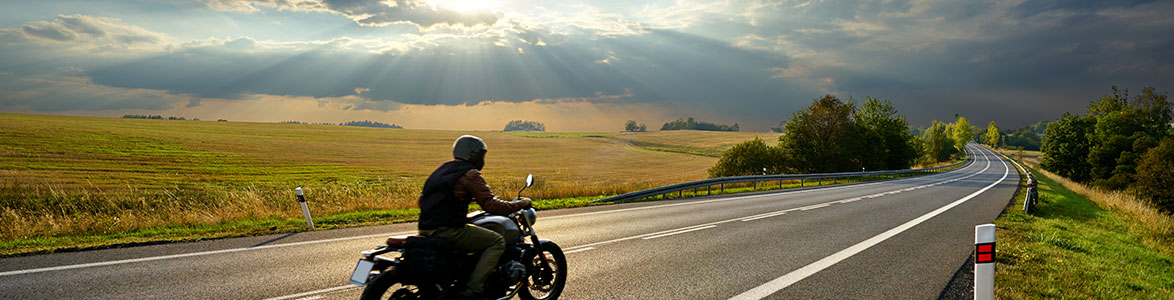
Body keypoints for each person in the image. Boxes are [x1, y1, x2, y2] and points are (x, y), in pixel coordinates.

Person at [418, 135, 532, 299]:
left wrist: (459, 201)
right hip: (449, 231)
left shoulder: (442, 169)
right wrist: (521, 204)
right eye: (481, 155)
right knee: (496, 241)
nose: (482, 159)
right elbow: (491, 205)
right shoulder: (470, 174)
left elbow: (423, 200)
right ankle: (473, 291)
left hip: (425, 229)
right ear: (473, 155)